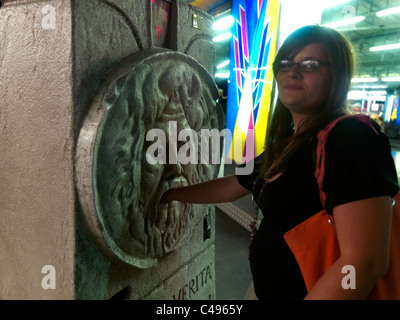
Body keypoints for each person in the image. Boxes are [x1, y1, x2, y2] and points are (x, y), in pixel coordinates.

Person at [160, 25, 399, 299]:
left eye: (311, 64)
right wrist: (170, 194)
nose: (292, 72)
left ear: (337, 76)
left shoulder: (351, 137)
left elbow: (364, 262)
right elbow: (233, 185)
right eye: (285, 63)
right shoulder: (290, 144)